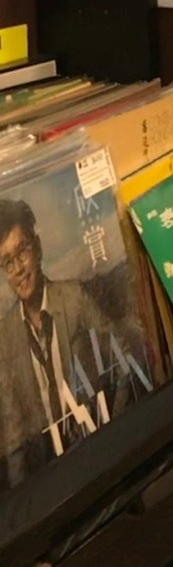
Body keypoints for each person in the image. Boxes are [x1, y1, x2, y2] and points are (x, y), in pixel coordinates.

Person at [0, 197, 140, 485]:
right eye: (7, 263)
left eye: (22, 252)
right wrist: (24, 496)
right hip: (49, 479)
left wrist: (116, 431)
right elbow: (14, 434)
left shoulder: (75, 298)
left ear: (38, 248)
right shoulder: (5, 336)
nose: (18, 269)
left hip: (99, 458)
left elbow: (124, 358)